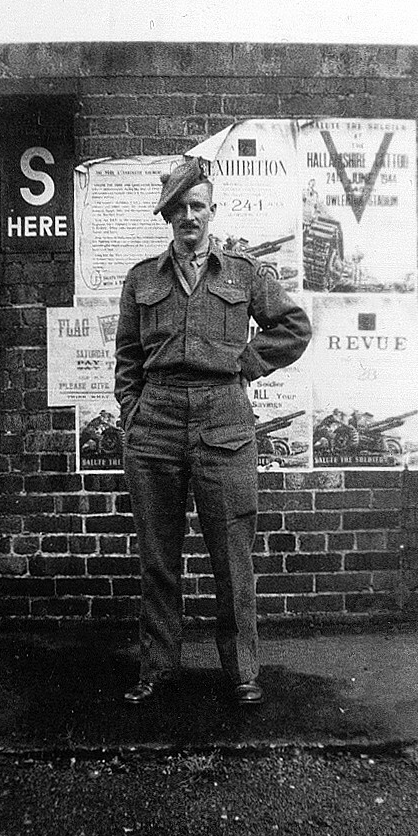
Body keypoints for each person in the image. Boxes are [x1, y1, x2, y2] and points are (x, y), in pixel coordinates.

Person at [114, 158, 311, 706]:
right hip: (156, 422)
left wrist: (246, 363)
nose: (189, 216)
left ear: (212, 211)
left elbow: (294, 327)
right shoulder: (141, 279)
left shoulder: (244, 274)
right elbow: (127, 356)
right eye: (179, 208)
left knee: (232, 555)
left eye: (197, 206)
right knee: (158, 557)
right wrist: (133, 411)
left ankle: (243, 671)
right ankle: (157, 668)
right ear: (167, 216)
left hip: (223, 419)